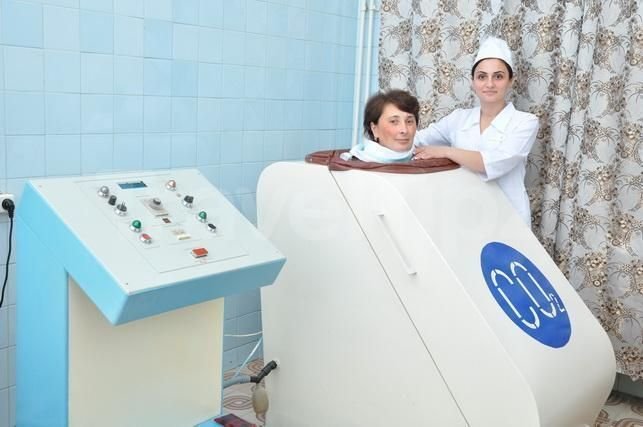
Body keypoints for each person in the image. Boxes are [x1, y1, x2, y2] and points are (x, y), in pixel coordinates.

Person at [413, 37, 539, 226]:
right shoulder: (458, 118)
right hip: (464, 217)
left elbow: (494, 162)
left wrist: (445, 152)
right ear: (473, 82)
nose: (490, 84)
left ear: (511, 81)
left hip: (509, 220)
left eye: (498, 76)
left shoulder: (525, 122)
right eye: (482, 76)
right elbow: (416, 141)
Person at [341, 89, 420, 163]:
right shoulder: (353, 165)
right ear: (374, 129)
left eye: (409, 121)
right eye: (393, 121)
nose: (404, 130)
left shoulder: (422, 160)